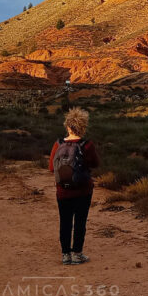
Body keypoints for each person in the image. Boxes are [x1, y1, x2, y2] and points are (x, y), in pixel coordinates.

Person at [48, 107, 99, 265]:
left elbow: (51, 167)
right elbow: (95, 164)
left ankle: (65, 255)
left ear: (67, 126)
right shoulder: (87, 145)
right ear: (83, 126)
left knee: (65, 221)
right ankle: (77, 254)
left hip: (62, 191)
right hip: (83, 191)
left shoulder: (58, 144)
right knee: (80, 222)